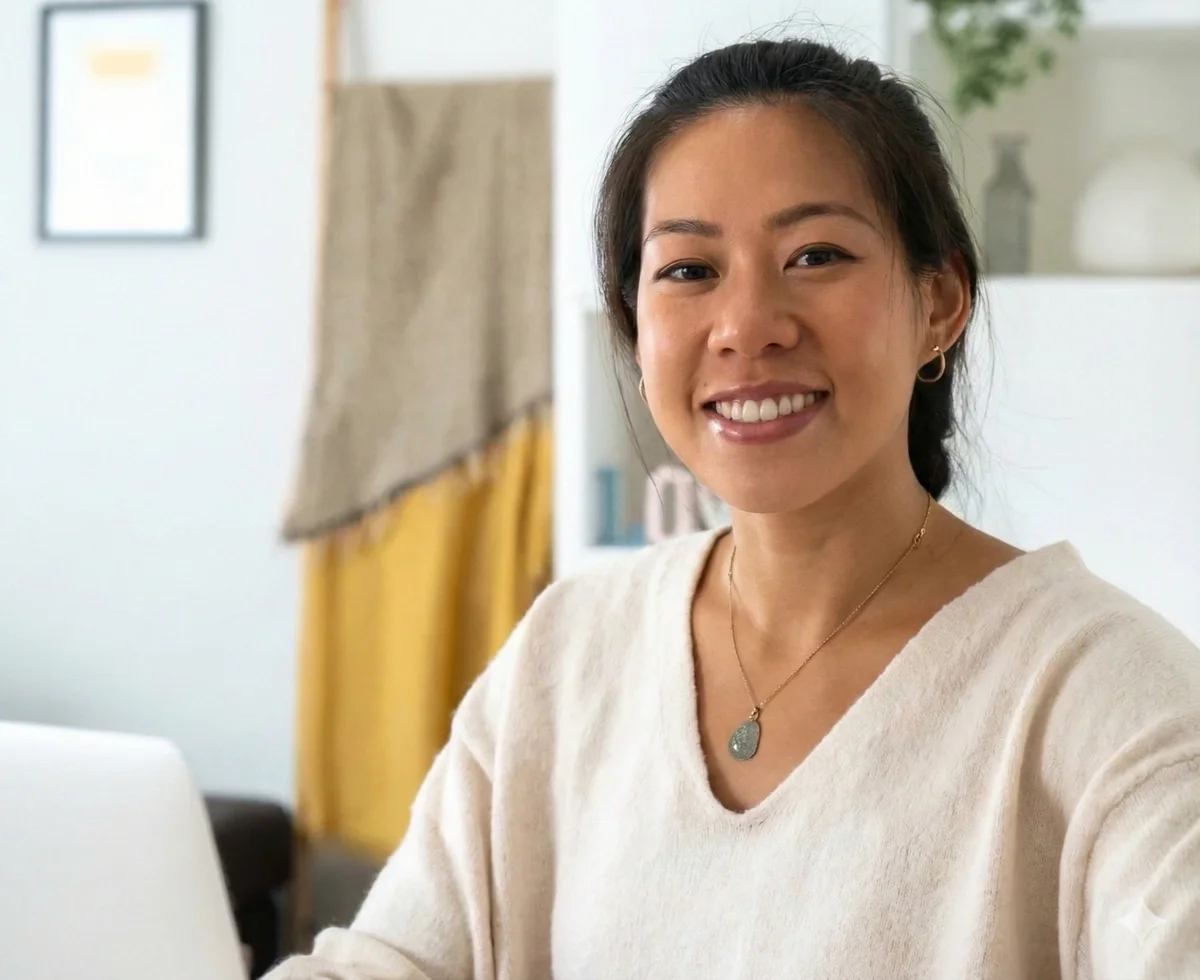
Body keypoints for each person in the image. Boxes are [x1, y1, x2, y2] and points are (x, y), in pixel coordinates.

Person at [267, 38, 1200, 979]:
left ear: (941, 304)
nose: (747, 324)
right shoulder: (570, 651)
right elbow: (389, 961)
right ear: (634, 325)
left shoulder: (1109, 697)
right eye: (688, 270)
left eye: (815, 255)